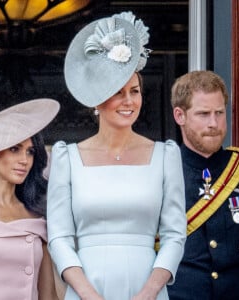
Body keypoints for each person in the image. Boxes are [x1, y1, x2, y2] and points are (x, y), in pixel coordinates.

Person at [47, 11, 186, 300]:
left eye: (134, 91)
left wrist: (148, 293)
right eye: (118, 92)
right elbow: (59, 238)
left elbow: (174, 235)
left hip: (147, 290)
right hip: (87, 290)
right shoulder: (67, 158)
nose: (129, 101)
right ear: (97, 99)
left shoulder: (165, 156)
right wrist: (89, 295)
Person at [167, 70, 239, 300]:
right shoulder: (162, 170)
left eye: (219, 113)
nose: (214, 123)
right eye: (203, 114)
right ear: (180, 115)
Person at [0, 98, 60, 300]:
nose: (24, 160)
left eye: (30, 152)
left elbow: (48, 296)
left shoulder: (36, 217)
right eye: (15, 149)